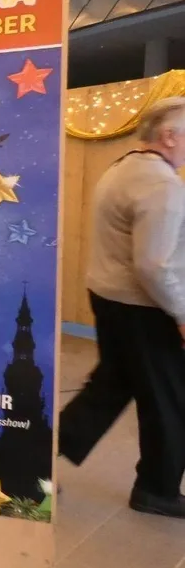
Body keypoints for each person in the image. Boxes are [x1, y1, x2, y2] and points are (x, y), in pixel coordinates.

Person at [59, 97, 185, 518]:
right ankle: (157, 490)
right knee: (169, 399)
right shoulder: (161, 184)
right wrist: (182, 314)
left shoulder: (122, 167)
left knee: (110, 386)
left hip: (111, 300)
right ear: (170, 136)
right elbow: (153, 265)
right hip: (145, 308)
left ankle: (33, 458)